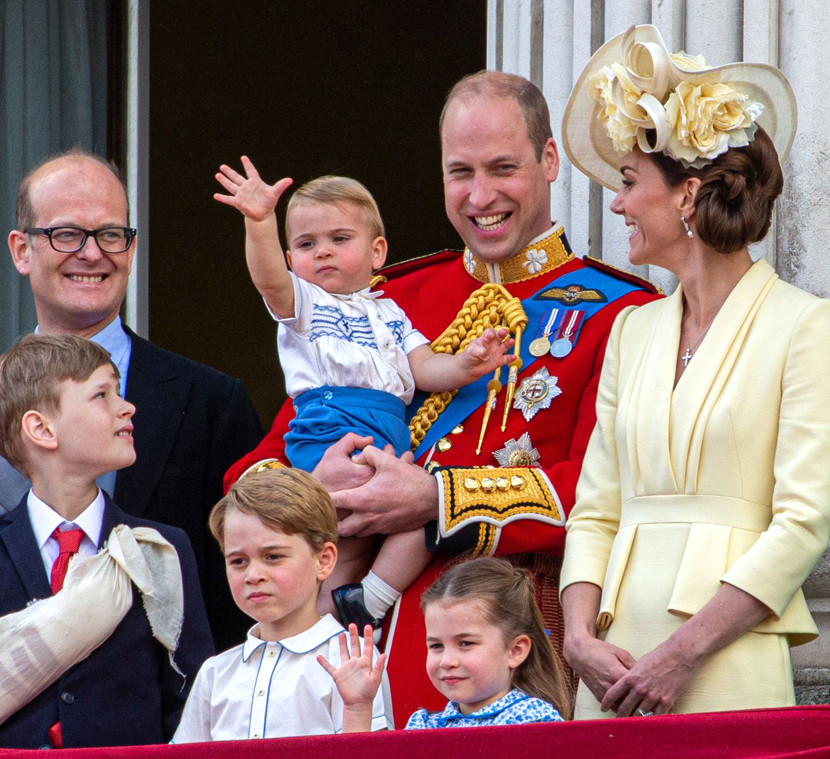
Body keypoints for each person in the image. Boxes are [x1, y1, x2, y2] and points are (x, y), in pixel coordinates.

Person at [223, 71, 660, 725]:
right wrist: (313, 482)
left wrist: (438, 498)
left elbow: (606, 491)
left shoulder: (622, 312)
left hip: (504, 655)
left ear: (548, 161)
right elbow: (254, 467)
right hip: (347, 652)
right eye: (461, 172)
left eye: (502, 168)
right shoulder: (384, 297)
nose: (480, 195)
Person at [558, 25, 830, 718]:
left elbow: (801, 525)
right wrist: (576, 640)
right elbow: (595, 510)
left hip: (725, 658)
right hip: (611, 662)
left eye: (629, 183)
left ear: (686, 195)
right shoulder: (632, 329)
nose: (617, 203)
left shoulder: (807, 325)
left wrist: (684, 652)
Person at [213, 163, 513, 632]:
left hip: (388, 433)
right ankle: (325, 623)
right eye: (307, 244)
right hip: (331, 426)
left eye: (339, 239)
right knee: (344, 539)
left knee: (423, 520)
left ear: (377, 252)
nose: (323, 253)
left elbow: (423, 368)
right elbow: (268, 279)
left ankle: (370, 601)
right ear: (292, 258)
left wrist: (467, 365)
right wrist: (259, 223)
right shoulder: (303, 304)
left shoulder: (391, 311)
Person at [3, 149, 264, 649]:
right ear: (21, 250)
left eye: (110, 234)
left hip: (166, 714)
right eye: (66, 234)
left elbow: (244, 589)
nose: (92, 253)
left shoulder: (211, 401)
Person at [0, 334, 213, 748]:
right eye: (102, 394)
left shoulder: (159, 549)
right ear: (41, 428)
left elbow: (189, 698)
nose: (127, 406)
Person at [172, 467, 389, 742]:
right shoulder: (215, 674)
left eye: (273, 556)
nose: (253, 575)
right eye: (238, 561)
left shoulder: (349, 662)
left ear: (323, 560)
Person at [321, 557, 567, 729]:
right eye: (436, 646)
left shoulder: (535, 721)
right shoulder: (423, 725)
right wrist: (357, 708)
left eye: (466, 643)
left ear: (515, 650)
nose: (447, 661)